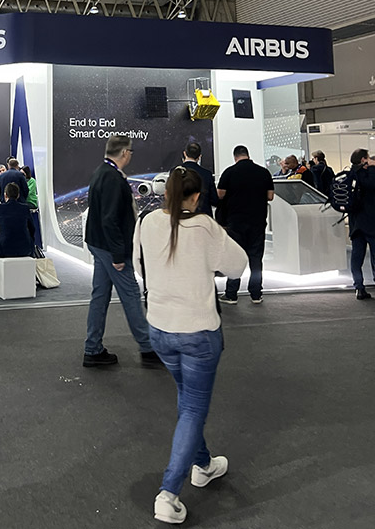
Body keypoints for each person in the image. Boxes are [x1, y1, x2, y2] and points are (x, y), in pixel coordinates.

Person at [134, 166, 247, 524]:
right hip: (198, 333)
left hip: (160, 330)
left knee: (187, 401)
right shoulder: (205, 227)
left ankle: (203, 464)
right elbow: (237, 266)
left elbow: (140, 267)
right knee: (193, 409)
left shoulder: (148, 222)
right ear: (196, 197)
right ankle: (168, 492)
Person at [82, 134, 163, 369]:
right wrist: (119, 254)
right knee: (130, 295)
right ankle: (148, 348)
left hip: (99, 244)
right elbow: (110, 220)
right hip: (110, 248)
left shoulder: (101, 173)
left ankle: (93, 348)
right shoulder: (112, 178)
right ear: (125, 153)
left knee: (100, 296)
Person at [217, 145, 274, 304]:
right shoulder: (263, 172)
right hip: (257, 222)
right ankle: (256, 294)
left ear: (235, 156)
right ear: (248, 155)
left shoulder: (229, 172)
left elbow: (220, 195)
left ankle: (231, 293)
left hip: (235, 222)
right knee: (256, 259)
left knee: (235, 257)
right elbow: (270, 196)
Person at [347, 148, 375, 301]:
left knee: (357, 257)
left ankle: (359, 287)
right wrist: (370, 167)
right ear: (363, 159)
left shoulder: (350, 174)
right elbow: (370, 185)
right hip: (371, 223)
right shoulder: (366, 173)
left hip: (355, 223)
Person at [0, 183, 35, 293]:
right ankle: (31, 280)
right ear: (18, 195)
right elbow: (32, 228)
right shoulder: (25, 208)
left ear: (5, 195)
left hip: (4, 249)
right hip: (25, 249)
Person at [181, 142, 218, 217]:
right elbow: (214, 200)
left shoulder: (175, 172)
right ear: (199, 156)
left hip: (181, 217)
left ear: (185, 153)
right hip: (203, 217)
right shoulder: (207, 174)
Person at [21, 164, 42, 247]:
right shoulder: (22, 181)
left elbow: (28, 192)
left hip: (31, 202)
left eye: (23, 173)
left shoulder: (32, 181)